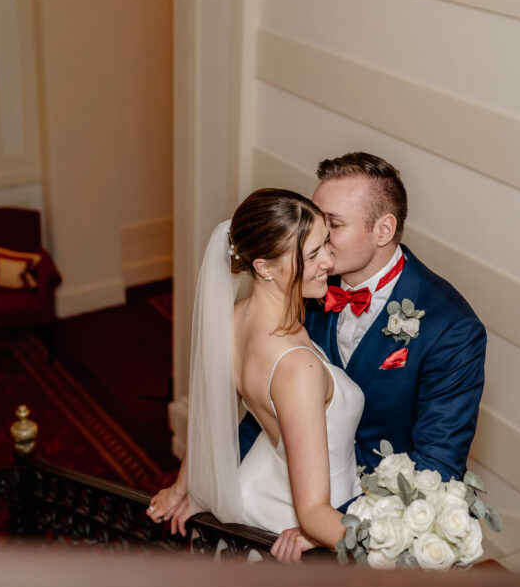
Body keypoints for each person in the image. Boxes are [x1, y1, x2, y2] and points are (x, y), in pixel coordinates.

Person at [147, 189, 365, 563]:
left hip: (256, 490)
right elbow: (313, 514)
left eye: (326, 245)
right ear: (264, 268)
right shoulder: (297, 368)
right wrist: (391, 549)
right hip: (290, 523)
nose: (329, 262)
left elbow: (212, 417)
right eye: (313, 254)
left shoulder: (234, 319)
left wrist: (181, 488)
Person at [241, 152, 487, 484]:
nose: (314, 236)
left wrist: (334, 514)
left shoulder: (451, 328)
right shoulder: (306, 286)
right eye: (315, 220)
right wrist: (222, 478)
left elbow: (437, 465)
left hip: (373, 504)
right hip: (291, 479)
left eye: (333, 224)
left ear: (383, 230)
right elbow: (268, 398)